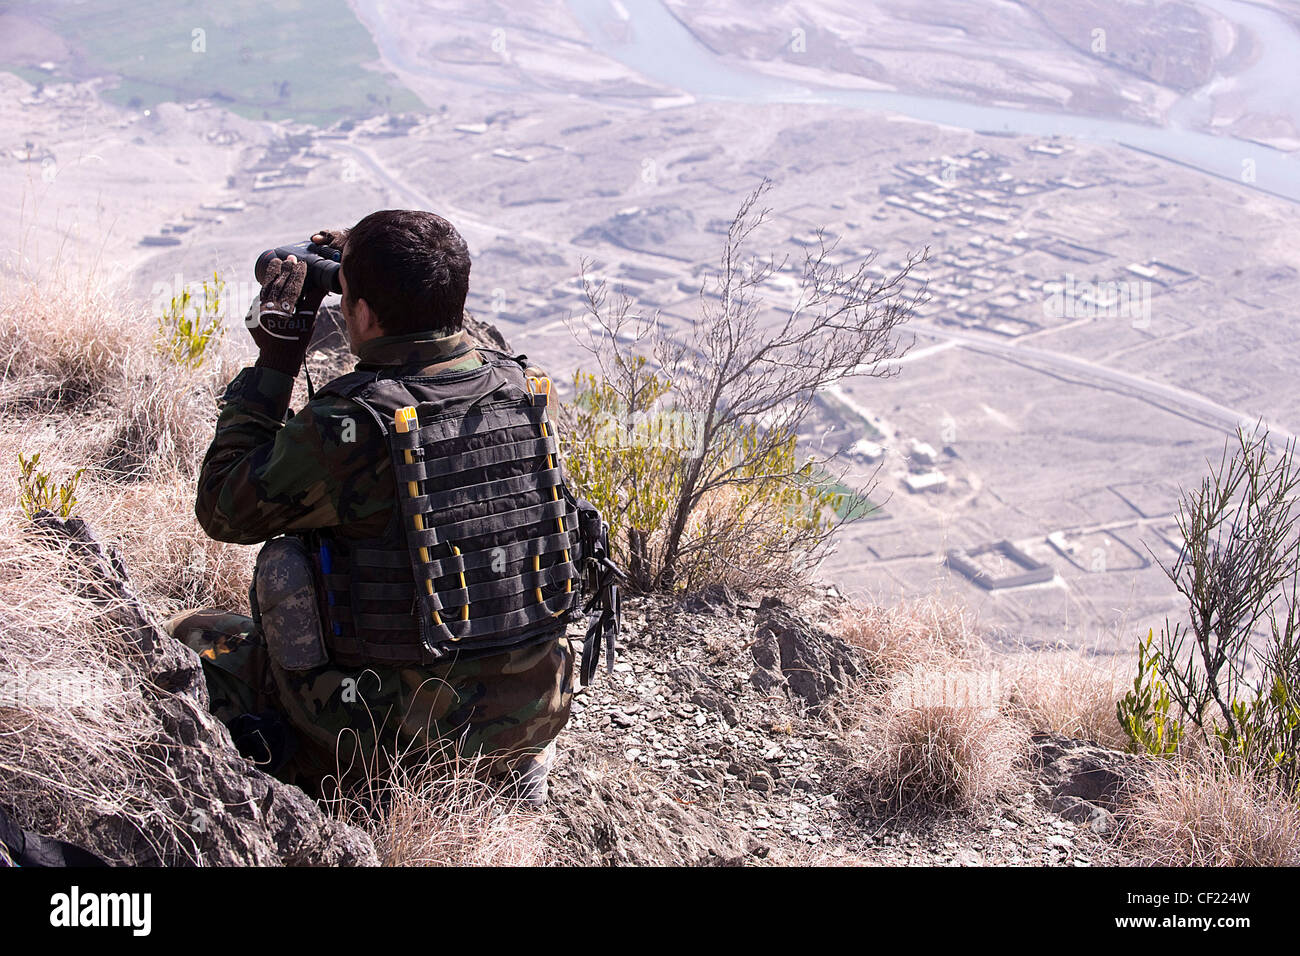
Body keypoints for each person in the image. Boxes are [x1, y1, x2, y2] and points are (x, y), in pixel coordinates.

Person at [166, 209, 581, 804]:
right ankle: (505, 766)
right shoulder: (524, 389)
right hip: (536, 711)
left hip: (392, 740)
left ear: (358, 312)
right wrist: (370, 261)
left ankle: (329, 776)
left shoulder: (351, 425)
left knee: (194, 635)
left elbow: (222, 509)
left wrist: (277, 362)